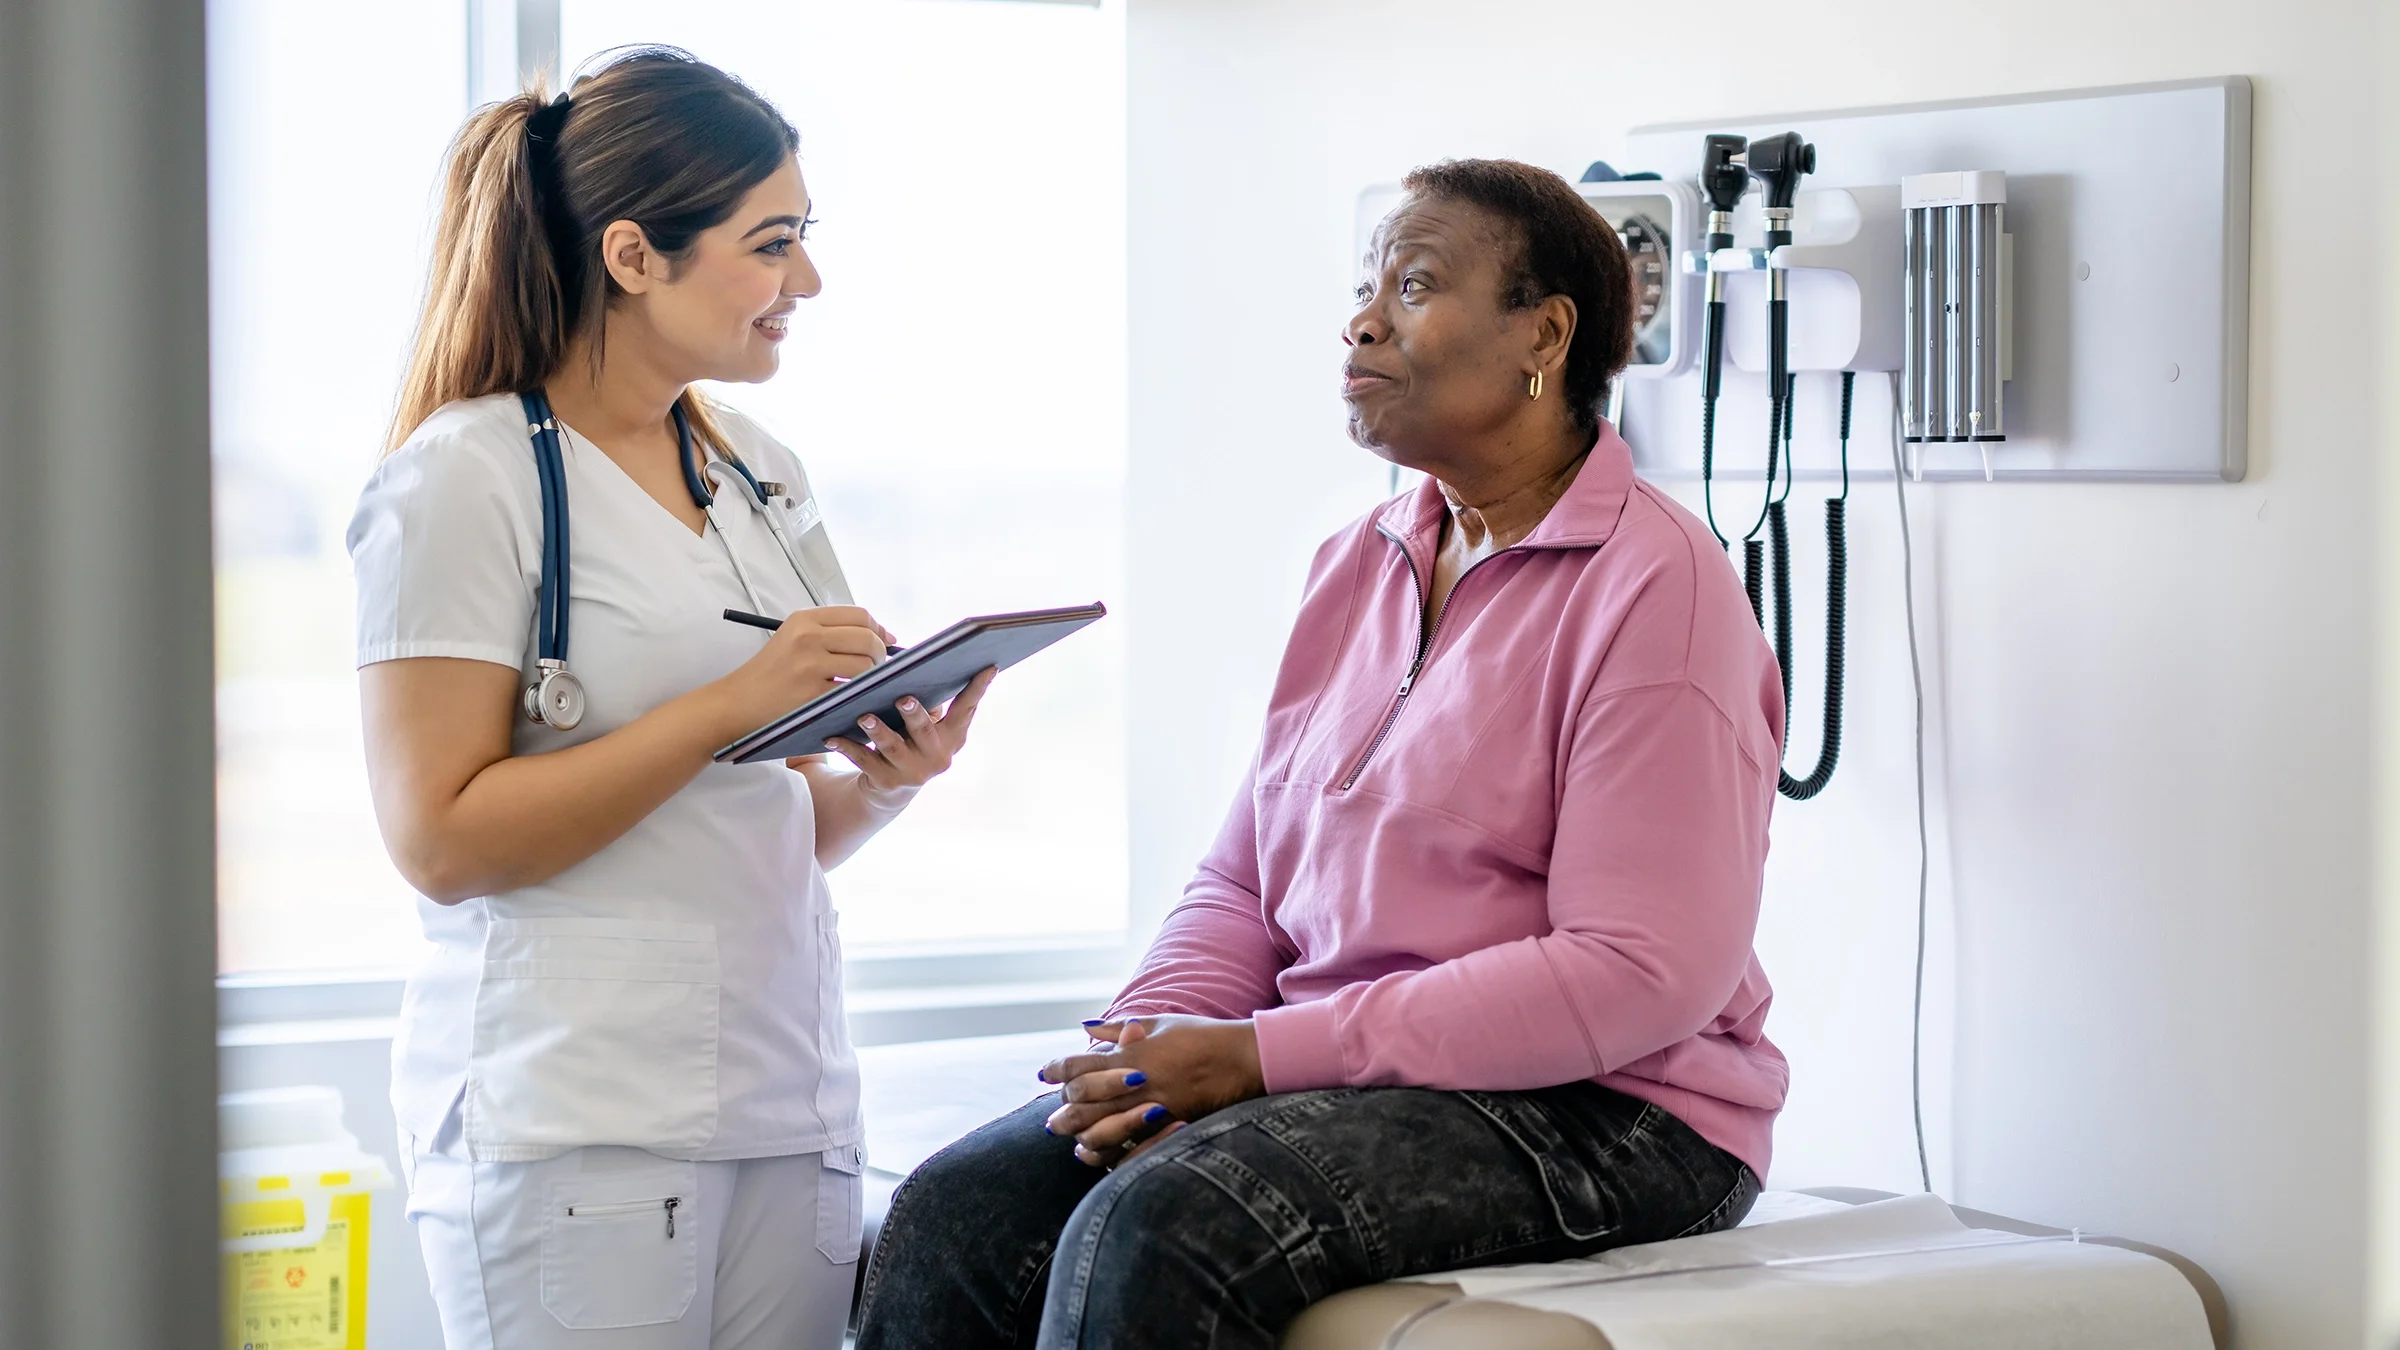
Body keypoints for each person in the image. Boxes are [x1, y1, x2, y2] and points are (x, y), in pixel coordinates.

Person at [853, 158, 1789, 1350]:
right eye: (1365, 285)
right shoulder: (1361, 561)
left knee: (1167, 1227)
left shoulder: (1659, 590)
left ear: (1542, 336)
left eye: (1413, 284)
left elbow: (1641, 971)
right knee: (959, 1212)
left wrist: (1258, 1056)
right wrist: (1143, 1049)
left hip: (1615, 1110)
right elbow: (1247, 880)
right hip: (1361, 1076)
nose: (1360, 320)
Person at [350, 48, 994, 1349]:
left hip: (788, 1101)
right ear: (636, 255)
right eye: (771, 244)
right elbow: (441, 840)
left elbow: (768, 819)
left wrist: (882, 773)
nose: (803, 280)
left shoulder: (760, 469)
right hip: (577, 1120)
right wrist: (724, 707)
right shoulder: (463, 477)